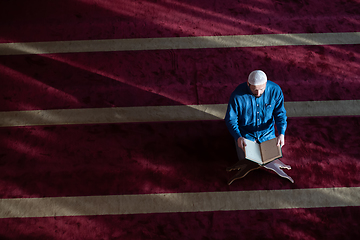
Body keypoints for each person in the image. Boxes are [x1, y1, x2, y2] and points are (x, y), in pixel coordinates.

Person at [224, 70, 287, 161]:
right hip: (246, 134)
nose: (258, 93)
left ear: (266, 83)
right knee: (246, 161)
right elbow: (231, 119)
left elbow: (280, 114)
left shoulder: (275, 90)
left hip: (267, 133)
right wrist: (238, 137)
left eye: (262, 89)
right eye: (254, 89)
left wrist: (281, 133)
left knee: (272, 160)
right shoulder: (237, 95)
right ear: (248, 84)